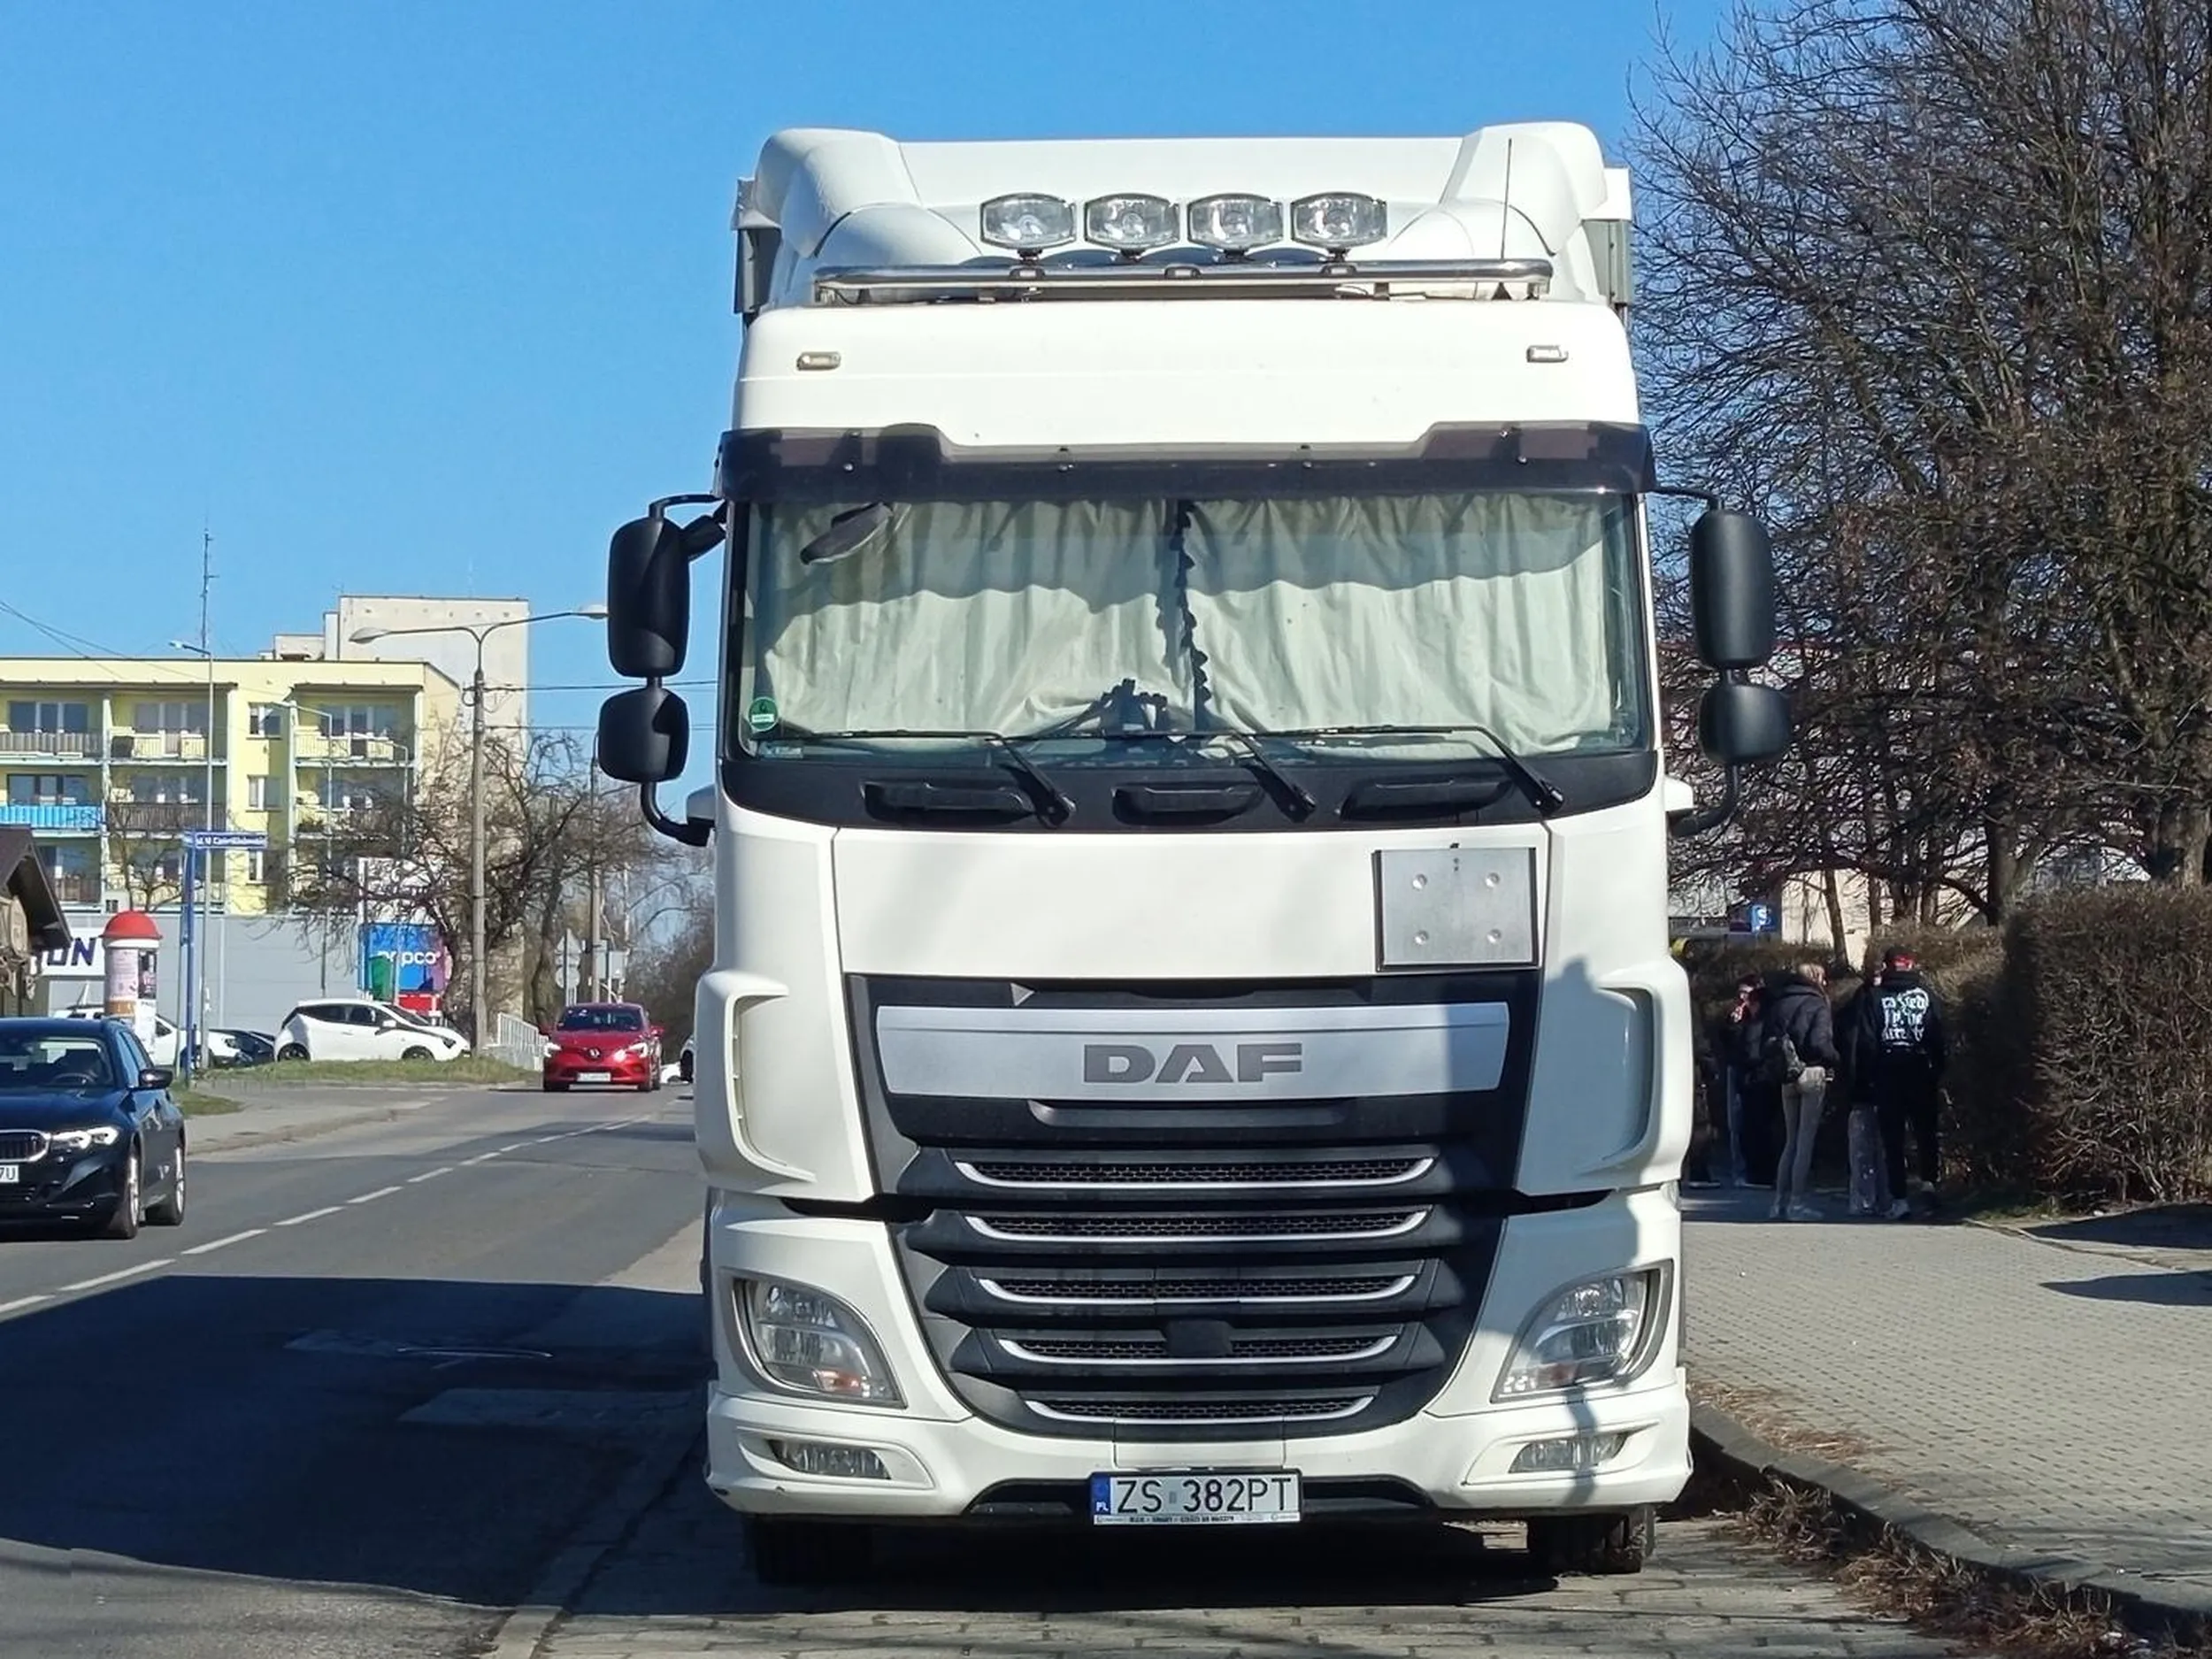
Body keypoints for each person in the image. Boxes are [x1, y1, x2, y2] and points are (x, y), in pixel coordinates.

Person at [1858, 945, 1949, 1217]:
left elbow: (1867, 1042)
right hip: (1921, 1070)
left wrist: (1869, 1077)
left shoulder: (1874, 997)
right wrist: (1938, 1069)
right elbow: (1938, 1036)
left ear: (1886, 966)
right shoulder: (1926, 995)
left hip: (1888, 1072)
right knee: (1926, 1134)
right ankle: (1929, 1187)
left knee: (1893, 1139)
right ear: (1911, 965)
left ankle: (1899, 1200)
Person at [1761, 962, 1840, 1219]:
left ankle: (1778, 1203)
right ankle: (1797, 1202)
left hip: (1787, 1073)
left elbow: (1767, 1041)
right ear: (1816, 978)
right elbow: (1820, 1042)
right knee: (1805, 1140)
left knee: (1790, 1140)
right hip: (1812, 1072)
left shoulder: (1779, 1003)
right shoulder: (1817, 1003)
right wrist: (1834, 1058)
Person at [1838, 970, 1893, 1217]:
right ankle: (1884, 1198)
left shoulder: (1851, 1011)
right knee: (1882, 1145)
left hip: (1859, 1088)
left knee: (1862, 1148)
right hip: (1876, 1085)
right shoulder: (1878, 1009)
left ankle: (1863, 1199)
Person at [1721, 975, 1772, 1187]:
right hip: (1738, 1069)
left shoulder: (1762, 1018)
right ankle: (1740, 1168)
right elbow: (1728, 1043)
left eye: (1747, 993)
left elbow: (1752, 1047)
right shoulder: (1739, 1016)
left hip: (1755, 1074)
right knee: (1737, 1122)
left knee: (1753, 1123)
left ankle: (1755, 1170)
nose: (1743, 998)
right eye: (1740, 993)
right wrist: (1733, 1024)